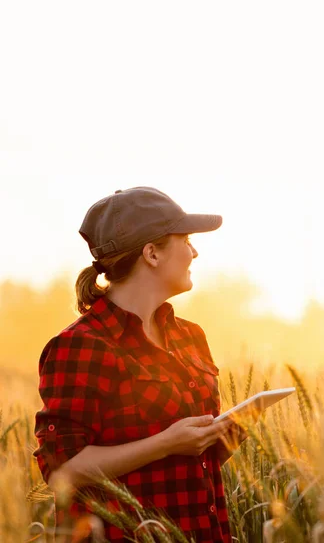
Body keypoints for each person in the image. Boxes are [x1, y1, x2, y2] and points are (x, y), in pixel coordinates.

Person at [33, 186, 248, 543]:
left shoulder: (189, 337)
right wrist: (166, 443)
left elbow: (188, 462)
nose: (194, 252)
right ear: (152, 253)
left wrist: (220, 436)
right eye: (187, 240)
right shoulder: (82, 346)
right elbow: (62, 471)